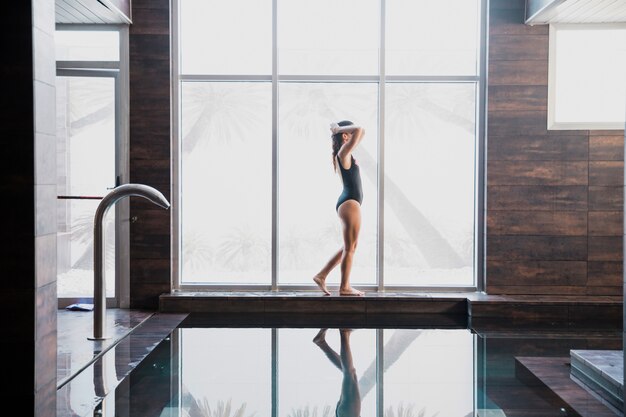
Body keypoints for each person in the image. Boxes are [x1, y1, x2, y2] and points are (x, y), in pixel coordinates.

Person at [313, 120, 365, 296]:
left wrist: (340, 131)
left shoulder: (345, 153)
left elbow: (360, 133)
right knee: (350, 248)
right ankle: (345, 287)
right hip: (349, 203)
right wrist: (337, 129)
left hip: (349, 203)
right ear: (345, 136)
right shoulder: (343, 153)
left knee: (349, 246)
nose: (354, 138)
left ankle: (321, 275)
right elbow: (359, 130)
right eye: (348, 135)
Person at [313, 328, 361, 417]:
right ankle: (322, 343)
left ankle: (344, 332)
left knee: (349, 373)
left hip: (348, 414)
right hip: (344, 413)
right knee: (350, 373)